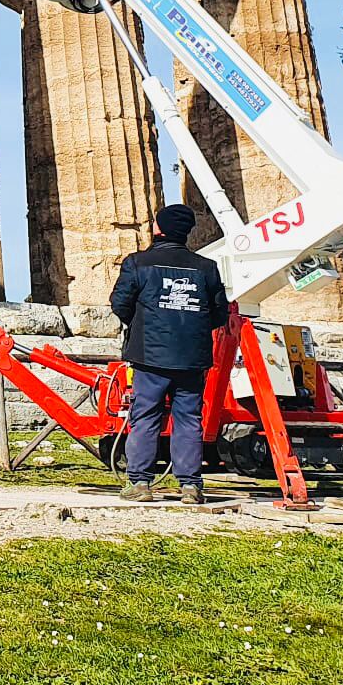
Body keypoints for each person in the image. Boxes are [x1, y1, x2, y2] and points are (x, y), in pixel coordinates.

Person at [109, 203, 229, 504]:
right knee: (189, 418)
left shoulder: (138, 263)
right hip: (192, 356)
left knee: (145, 415)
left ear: (158, 229)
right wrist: (191, 328)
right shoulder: (206, 268)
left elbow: (120, 303)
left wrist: (142, 325)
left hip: (150, 355)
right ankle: (190, 486)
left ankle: (140, 483)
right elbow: (219, 313)